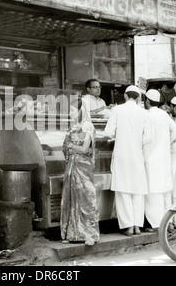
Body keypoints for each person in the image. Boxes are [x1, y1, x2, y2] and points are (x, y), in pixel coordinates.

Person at [104, 85, 148, 236]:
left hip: (122, 155)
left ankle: (128, 226)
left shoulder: (117, 110)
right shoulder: (143, 112)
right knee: (137, 191)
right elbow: (147, 137)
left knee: (123, 191)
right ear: (138, 98)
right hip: (137, 155)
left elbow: (108, 132)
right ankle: (137, 226)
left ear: (125, 96)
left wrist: (119, 135)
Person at [60, 98, 100, 246]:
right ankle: (72, 234)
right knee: (71, 198)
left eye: (72, 110)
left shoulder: (87, 127)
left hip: (83, 167)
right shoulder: (72, 127)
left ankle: (89, 234)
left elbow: (84, 149)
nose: (70, 113)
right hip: (72, 166)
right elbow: (65, 148)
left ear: (81, 111)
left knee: (86, 200)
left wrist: (71, 145)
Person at [142, 89, 176, 231]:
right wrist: (165, 143)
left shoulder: (147, 115)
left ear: (147, 101)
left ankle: (157, 224)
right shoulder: (164, 115)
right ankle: (169, 223)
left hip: (151, 158)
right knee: (165, 192)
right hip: (164, 157)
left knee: (153, 193)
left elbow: (147, 138)